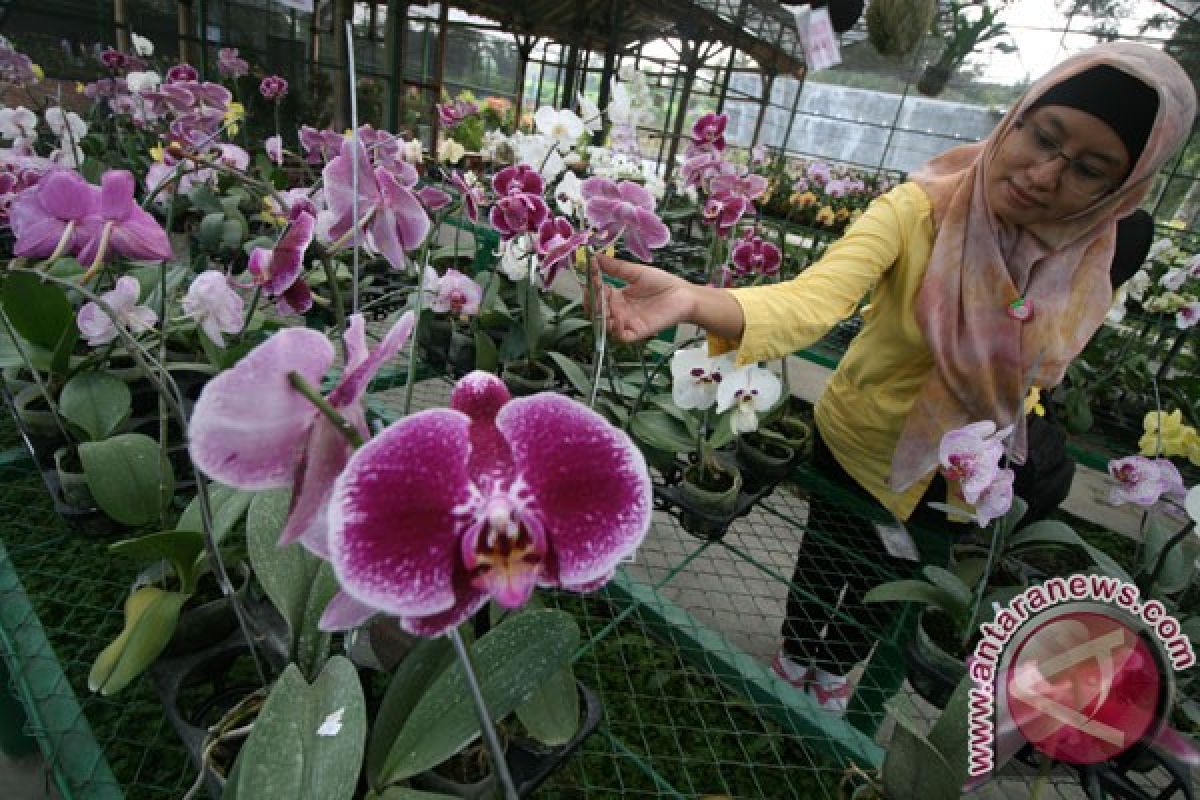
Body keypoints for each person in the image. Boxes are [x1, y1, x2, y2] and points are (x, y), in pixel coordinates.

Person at [594, 42, 1196, 714]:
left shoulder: (1096, 252)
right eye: (1044, 136)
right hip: (862, 442)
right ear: (1017, 117)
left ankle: (837, 673)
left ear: (1121, 189)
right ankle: (796, 658)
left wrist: (1035, 423)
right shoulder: (917, 211)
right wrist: (693, 300)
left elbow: (1041, 362)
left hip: (967, 472)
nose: (1045, 174)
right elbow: (815, 298)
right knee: (828, 560)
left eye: (1088, 169)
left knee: (896, 579)